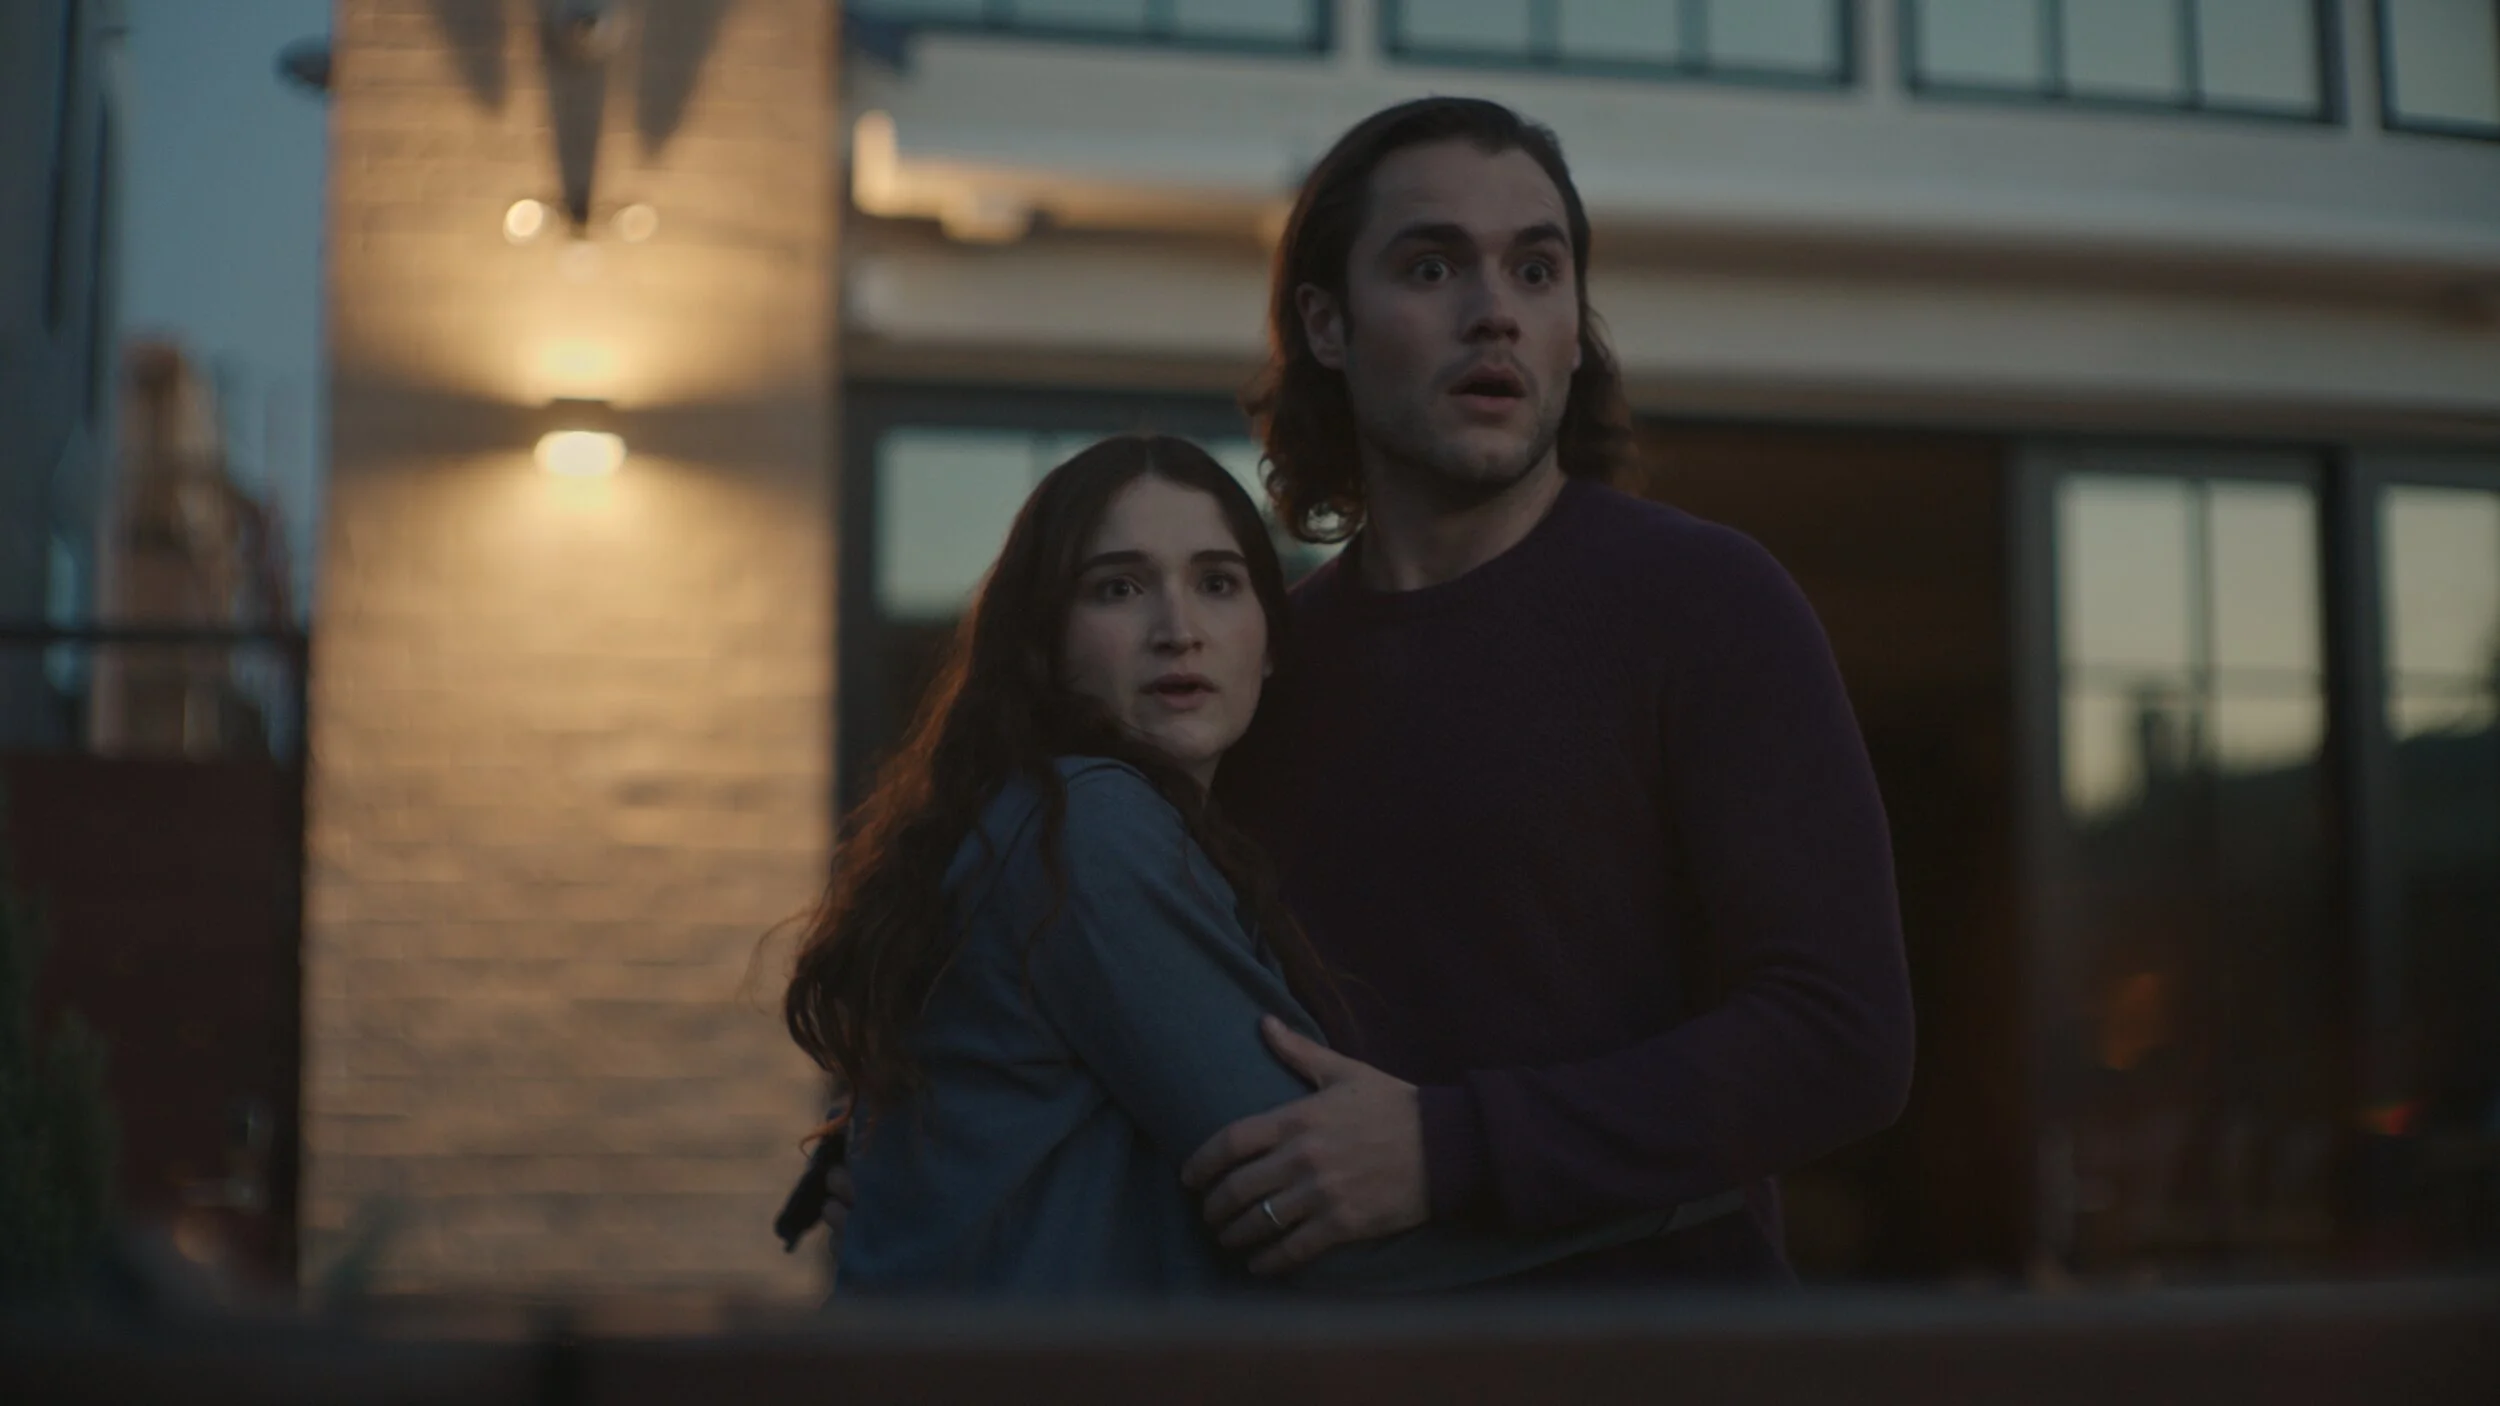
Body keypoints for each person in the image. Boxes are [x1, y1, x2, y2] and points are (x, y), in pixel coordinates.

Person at [1180, 96, 1916, 1286]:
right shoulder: (1262, 668)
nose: (1495, 312)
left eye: (1537, 268)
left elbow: (1841, 1040)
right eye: (1431, 265)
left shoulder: (1708, 601)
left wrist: (1448, 1145)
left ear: (1574, 329)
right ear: (1325, 322)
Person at [780, 434, 1708, 1293]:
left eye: (1219, 583)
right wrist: (1680, 1162)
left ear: (1269, 644)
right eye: (1118, 588)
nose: (1177, 628)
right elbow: (1313, 1211)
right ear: (1043, 648)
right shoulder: (1087, 825)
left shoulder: (1054, 822)